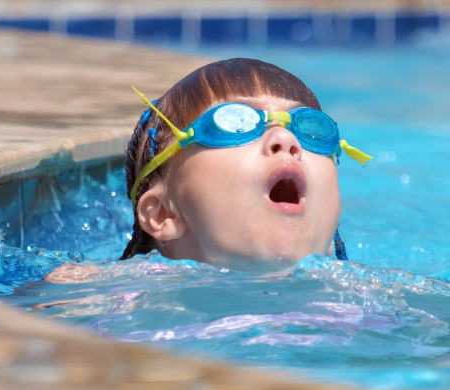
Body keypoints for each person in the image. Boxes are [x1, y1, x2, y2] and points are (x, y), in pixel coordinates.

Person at [55, 58, 370, 280]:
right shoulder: (101, 295)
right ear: (163, 213)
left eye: (312, 129)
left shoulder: (370, 305)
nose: (285, 139)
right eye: (236, 124)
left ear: (333, 222)